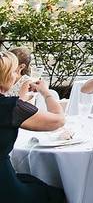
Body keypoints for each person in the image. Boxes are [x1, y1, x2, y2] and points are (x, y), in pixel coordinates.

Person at [0, 51, 66, 202]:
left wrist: (21, 99)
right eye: (16, 72)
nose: (17, 76)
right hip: (4, 188)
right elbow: (59, 120)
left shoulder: (12, 107)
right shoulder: (11, 108)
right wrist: (46, 93)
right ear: (7, 76)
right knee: (55, 194)